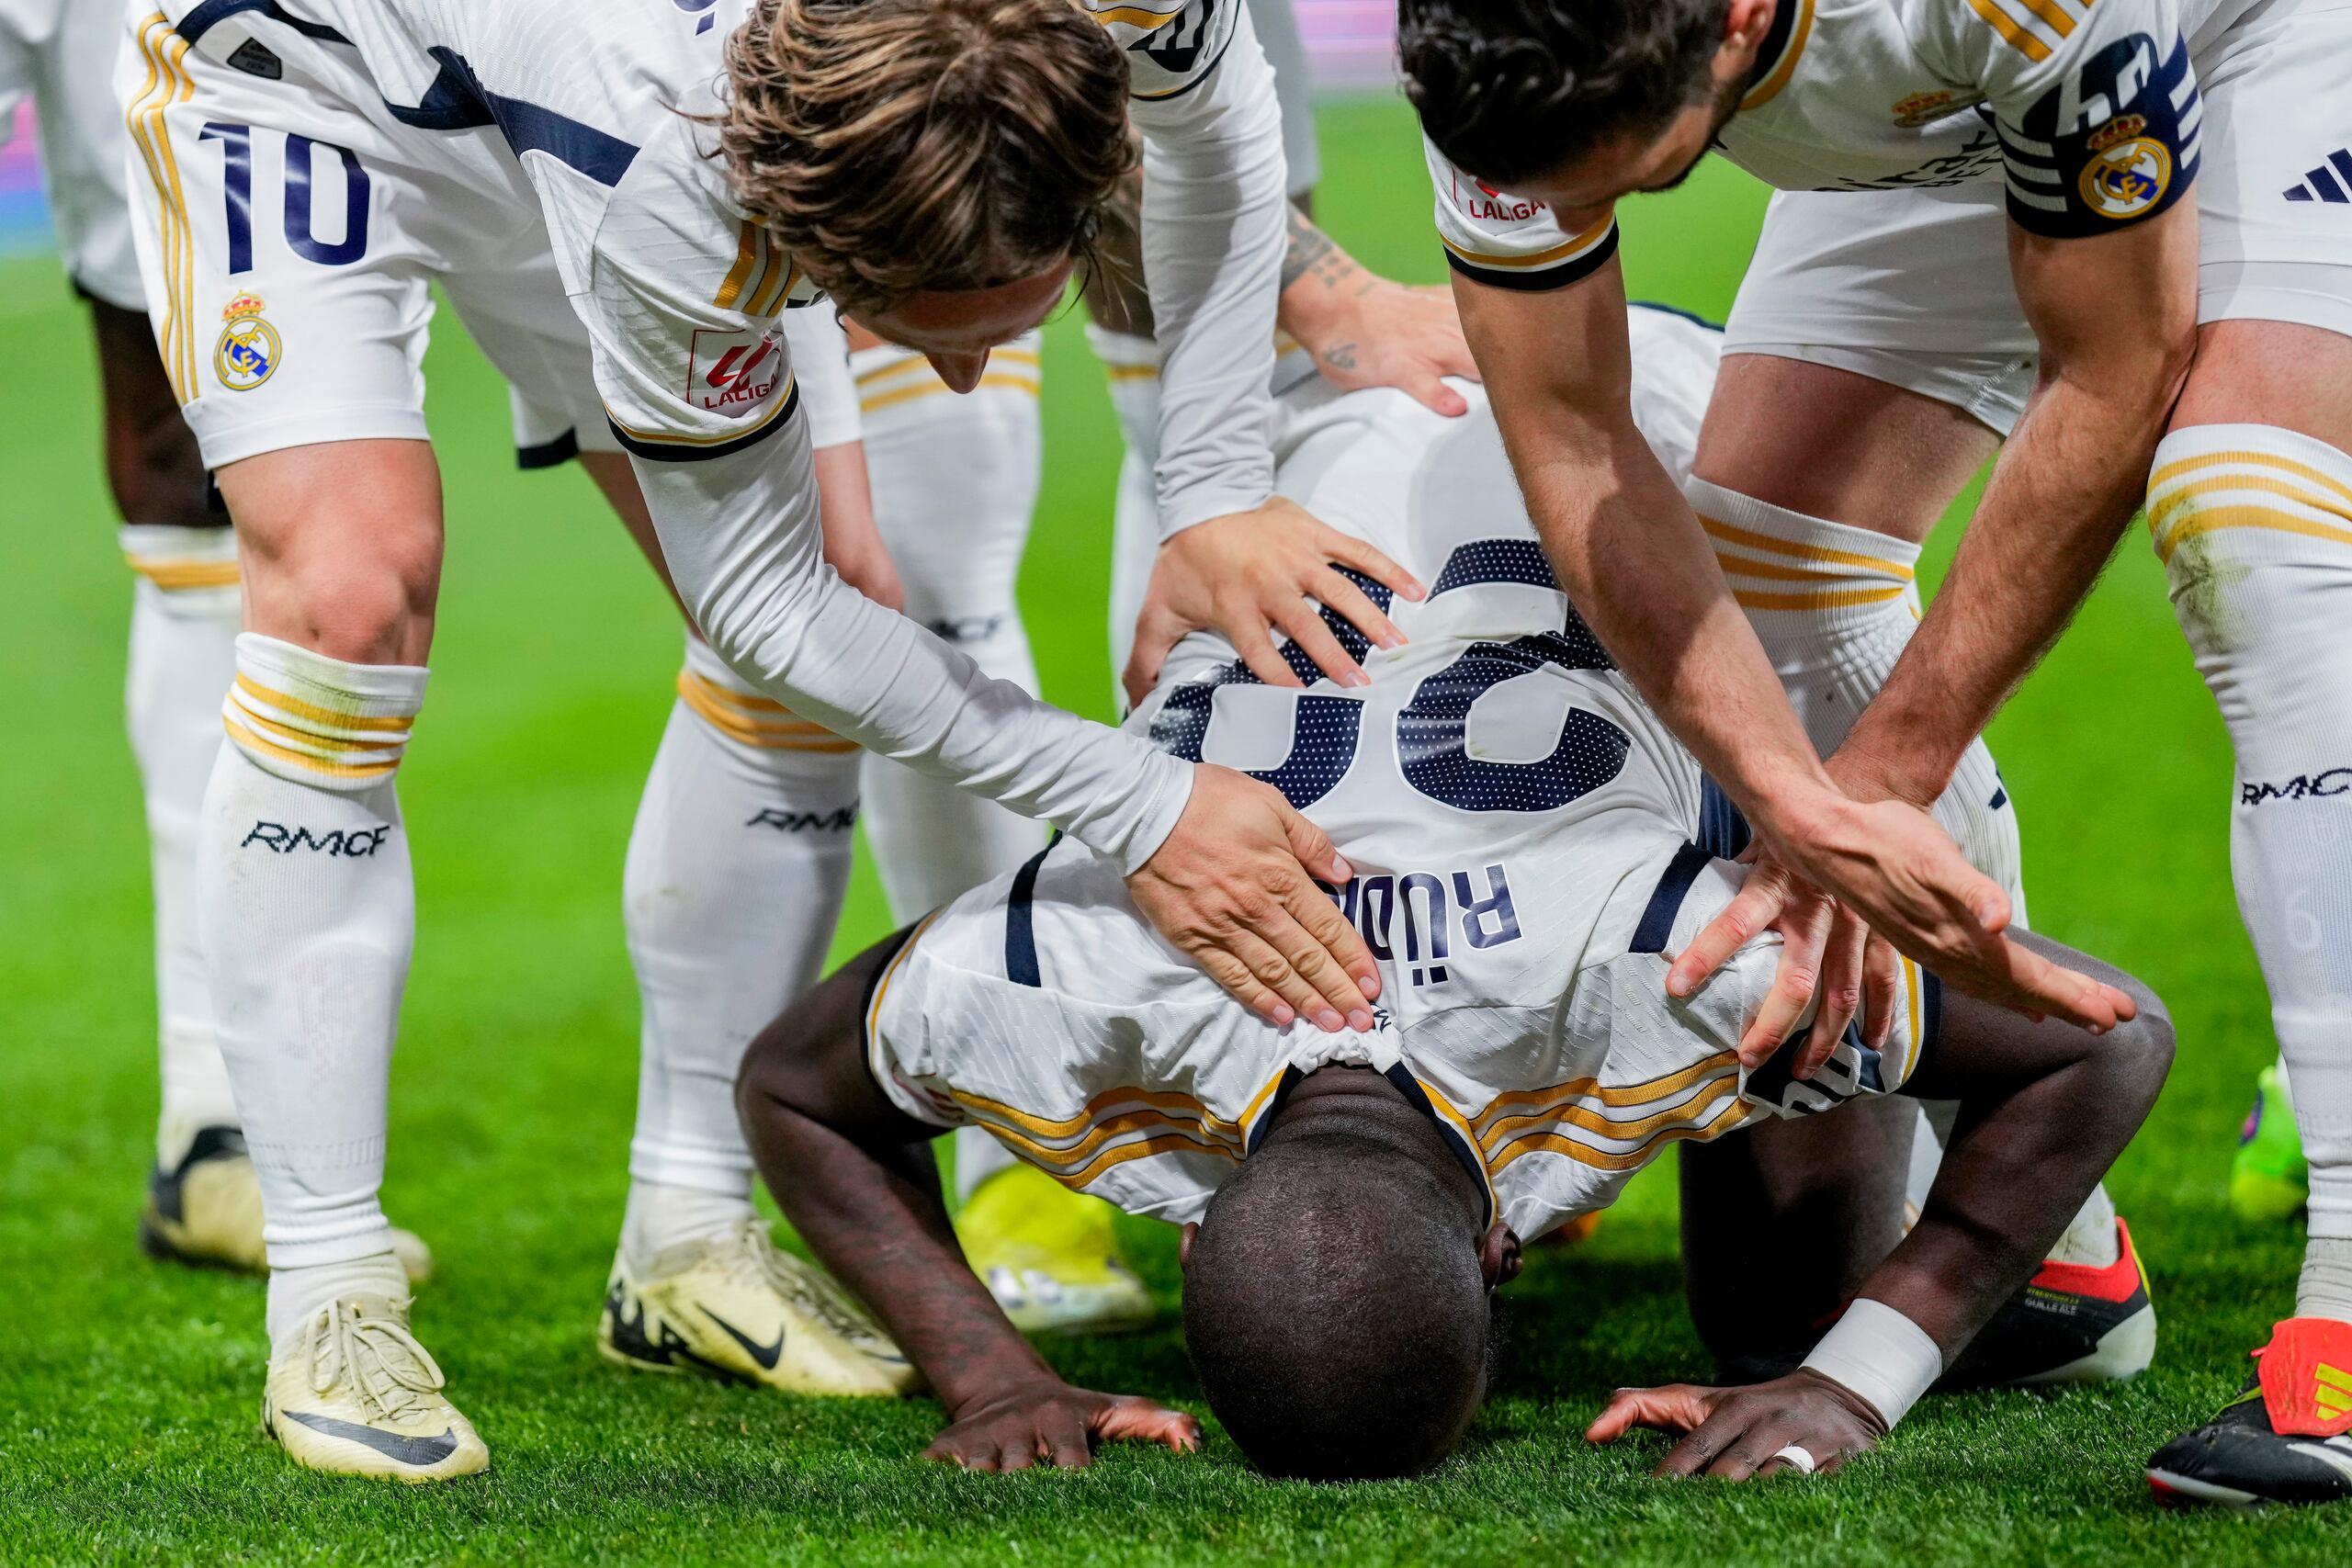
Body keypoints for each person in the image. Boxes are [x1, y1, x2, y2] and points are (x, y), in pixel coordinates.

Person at [115, 0, 1416, 1480]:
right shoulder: (677, 164)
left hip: (607, 97)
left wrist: (1214, 486)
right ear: (809, 240)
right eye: (935, 340)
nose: (978, 377)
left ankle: (686, 1237)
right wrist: (1144, 804)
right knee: (352, 594)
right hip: (315, 84)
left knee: (861, 606)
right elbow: (760, 602)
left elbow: (1219, 89)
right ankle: (331, 1292)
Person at [734, 308, 2175, 1479]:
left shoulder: (1648, 960)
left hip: (1670, 439)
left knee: (1795, 1177)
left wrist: (1849, 1382)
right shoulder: (1055, 971)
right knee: (1752, 1210)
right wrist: (983, 1374)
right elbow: (794, 1090)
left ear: (1501, 1261)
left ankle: (2082, 1265)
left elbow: (2111, 1035)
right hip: (1316, 457)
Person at [1397, 0, 2352, 1502]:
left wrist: (1881, 782)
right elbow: (1574, 437)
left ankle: (2347, 1327)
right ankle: (2066, 1271)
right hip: (1950, 108)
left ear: (1731, 27)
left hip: (2247, 38)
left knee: (2251, 524)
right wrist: (1794, 799)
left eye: (1621, 183)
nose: (1570, 222)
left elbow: (2113, 366)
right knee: (1768, 577)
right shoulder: (1496, 35)